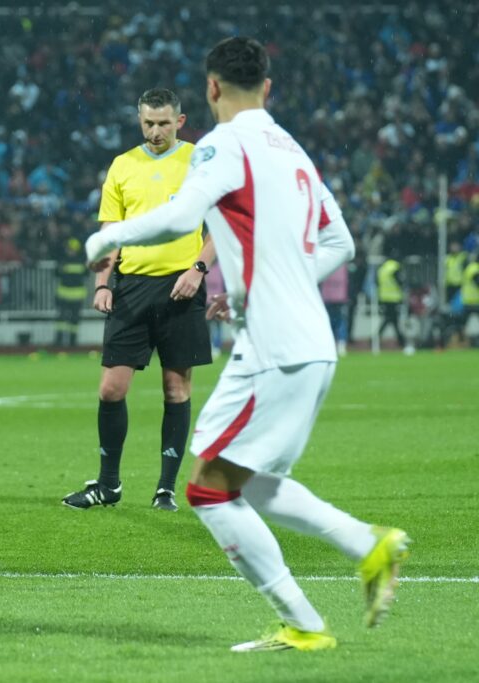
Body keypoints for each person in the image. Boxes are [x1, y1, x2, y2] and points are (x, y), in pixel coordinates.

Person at [85, 37, 408, 652]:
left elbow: (181, 218)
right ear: (268, 86)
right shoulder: (292, 150)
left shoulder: (222, 144)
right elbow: (339, 243)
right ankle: (366, 549)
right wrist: (269, 284)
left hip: (273, 348)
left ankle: (306, 622)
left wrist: (106, 241)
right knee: (246, 481)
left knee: (209, 489)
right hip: (307, 341)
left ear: (210, 90)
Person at [62, 88, 216, 513]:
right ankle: (108, 485)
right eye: (148, 123)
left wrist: (197, 270)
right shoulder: (123, 165)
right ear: (139, 119)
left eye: (164, 123)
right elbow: (111, 231)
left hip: (182, 286)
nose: (155, 131)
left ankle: (165, 489)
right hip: (130, 287)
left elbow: (220, 226)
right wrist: (103, 283)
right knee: (112, 388)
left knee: (175, 388)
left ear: (179, 122)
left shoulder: (201, 161)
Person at [376, 250, 413, 354]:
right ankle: (402, 342)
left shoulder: (383, 268)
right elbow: (399, 281)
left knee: (390, 319)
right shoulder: (395, 267)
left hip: (384, 297)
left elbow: (377, 282)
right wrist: (404, 287)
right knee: (392, 320)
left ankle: (378, 338)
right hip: (394, 298)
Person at [54, 238, 87, 348]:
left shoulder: (63, 261)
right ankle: (62, 341)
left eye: (71, 249)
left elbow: (57, 274)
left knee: (71, 319)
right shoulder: (82, 260)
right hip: (69, 294)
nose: (69, 251)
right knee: (64, 319)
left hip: (71, 294)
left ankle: (69, 342)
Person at [321, 264, 349, 356]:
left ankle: (332, 344)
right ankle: (340, 344)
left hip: (328, 297)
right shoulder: (342, 265)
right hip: (339, 298)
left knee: (330, 322)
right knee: (339, 321)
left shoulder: (327, 264)